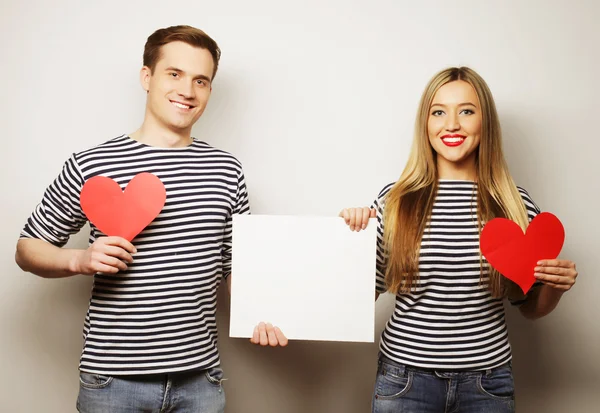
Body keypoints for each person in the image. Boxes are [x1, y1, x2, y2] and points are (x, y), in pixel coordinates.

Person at [260, 66, 578, 413]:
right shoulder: (395, 201)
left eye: (467, 111)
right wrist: (347, 242)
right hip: (405, 383)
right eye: (438, 111)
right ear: (425, 124)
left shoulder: (514, 204)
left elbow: (530, 307)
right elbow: (351, 295)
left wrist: (554, 288)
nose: (452, 124)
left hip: (487, 384)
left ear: (485, 123)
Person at [15, 25, 285, 413]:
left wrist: (265, 313)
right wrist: (80, 259)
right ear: (147, 77)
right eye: (174, 74)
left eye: (201, 81)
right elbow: (27, 249)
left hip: (201, 381)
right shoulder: (92, 164)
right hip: (112, 382)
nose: (188, 91)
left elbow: (233, 267)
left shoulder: (226, 170)